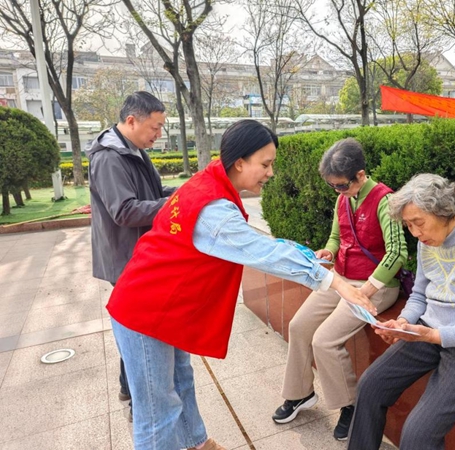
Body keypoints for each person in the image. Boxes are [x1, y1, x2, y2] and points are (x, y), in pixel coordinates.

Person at [105, 120, 375, 450]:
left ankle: (197, 443)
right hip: (144, 312)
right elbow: (264, 252)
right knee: (157, 414)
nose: (271, 173)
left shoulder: (209, 180)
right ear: (240, 163)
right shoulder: (213, 209)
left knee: (181, 381)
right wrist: (337, 283)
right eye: (265, 164)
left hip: (160, 305)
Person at [347, 173, 455, 450]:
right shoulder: (427, 241)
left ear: (443, 210)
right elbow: (419, 294)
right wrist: (403, 322)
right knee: (371, 386)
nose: (415, 233)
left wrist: (432, 335)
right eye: (408, 225)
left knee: (418, 434)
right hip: (431, 331)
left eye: (418, 223)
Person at [272, 138, 408, 441]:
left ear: (360, 174)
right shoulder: (343, 199)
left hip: (376, 285)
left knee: (325, 341)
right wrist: (328, 252)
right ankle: (300, 393)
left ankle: (351, 405)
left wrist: (367, 290)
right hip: (341, 280)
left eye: (342, 185)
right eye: (332, 186)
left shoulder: (385, 200)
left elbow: (397, 253)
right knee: (299, 326)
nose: (338, 191)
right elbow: (337, 236)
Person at [87, 91, 177, 420]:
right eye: (155, 127)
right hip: (125, 258)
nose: (159, 134)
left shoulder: (134, 150)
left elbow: (152, 194)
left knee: (133, 327)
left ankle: (128, 387)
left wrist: (184, 192)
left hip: (139, 254)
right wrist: (173, 205)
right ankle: (140, 403)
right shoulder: (109, 158)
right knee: (137, 331)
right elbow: (124, 211)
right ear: (131, 121)